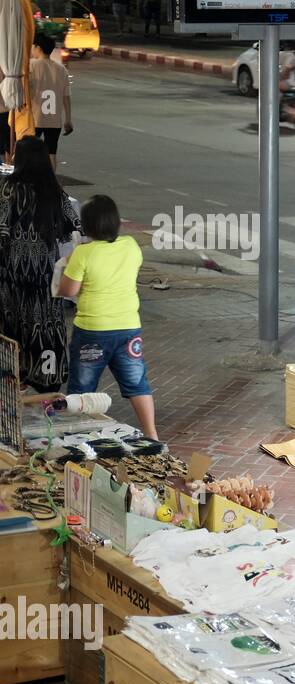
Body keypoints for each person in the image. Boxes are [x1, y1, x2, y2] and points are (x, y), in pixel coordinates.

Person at [56, 195, 158, 440]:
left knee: (82, 388)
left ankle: (77, 437)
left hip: (92, 330)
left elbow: (69, 291)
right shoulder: (131, 246)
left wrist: (66, 270)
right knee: (137, 384)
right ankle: (152, 435)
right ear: (115, 222)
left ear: (87, 226)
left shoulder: (83, 254)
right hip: (128, 329)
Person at [0, 137, 80, 393]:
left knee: (14, 326)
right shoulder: (54, 191)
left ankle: (15, 380)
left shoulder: (7, 189)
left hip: (12, 273)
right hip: (44, 274)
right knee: (45, 325)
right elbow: (73, 226)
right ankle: (48, 380)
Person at [29, 36, 73, 172]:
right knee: (51, 153)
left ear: (38, 48)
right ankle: (52, 183)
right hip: (54, 120)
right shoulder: (61, 69)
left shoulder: (31, 65)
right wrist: (68, 120)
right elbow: (66, 96)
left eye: (33, 46)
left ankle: (30, 180)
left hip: (35, 118)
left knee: (28, 152)